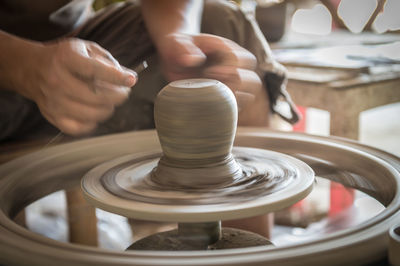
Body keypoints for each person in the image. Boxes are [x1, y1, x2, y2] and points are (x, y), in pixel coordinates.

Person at [0, 0, 299, 238]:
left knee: (221, 27)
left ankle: (245, 254)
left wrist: (177, 39)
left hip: (76, 45)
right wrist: (25, 65)